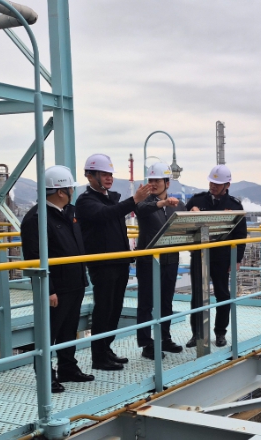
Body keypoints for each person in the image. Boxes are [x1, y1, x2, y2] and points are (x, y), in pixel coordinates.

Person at [21, 165, 94, 393]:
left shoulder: (69, 212)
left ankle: (68, 368)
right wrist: (48, 289)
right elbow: (34, 257)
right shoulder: (36, 219)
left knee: (68, 329)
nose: (73, 191)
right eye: (70, 188)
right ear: (61, 191)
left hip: (75, 282)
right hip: (56, 287)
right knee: (49, 332)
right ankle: (45, 376)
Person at [75, 154, 151, 370]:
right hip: (102, 264)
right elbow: (106, 214)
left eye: (110, 174)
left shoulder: (111, 199)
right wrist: (134, 200)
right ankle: (99, 357)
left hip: (119, 262)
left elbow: (114, 219)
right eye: (104, 174)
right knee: (104, 309)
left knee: (115, 308)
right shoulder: (86, 201)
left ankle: (106, 348)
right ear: (90, 176)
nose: (109, 178)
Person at [185, 164, 247, 348]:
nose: (213, 186)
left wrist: (236, 259)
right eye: (211, 182)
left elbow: (240, 235)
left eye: (217, 184)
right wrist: (191, 214)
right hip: (199, 255)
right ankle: (197, 334)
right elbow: (184, 224)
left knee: (222, 295)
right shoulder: (197, 201)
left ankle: (220, 333)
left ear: (227, 185)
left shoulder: (234, 206)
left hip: (222, 257)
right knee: (197, 295)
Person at [135, 162, 185, 359]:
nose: (154, 184)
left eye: (158, 180)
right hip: (148, 260)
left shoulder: (177, 205)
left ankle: (164, 338)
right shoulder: (144, 202)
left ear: (167, 183)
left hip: (170, 259)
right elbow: (141, 209)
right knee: (146, 303)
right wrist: (162, 204)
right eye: (151, 180)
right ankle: (147, 344)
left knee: (166, 301)